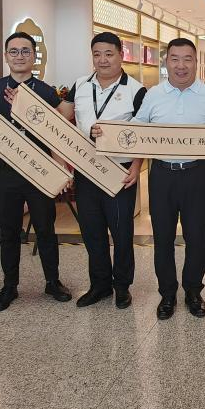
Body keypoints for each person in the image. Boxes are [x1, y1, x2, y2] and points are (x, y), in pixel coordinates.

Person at [92, 37, 205, 320]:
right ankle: (167, 294)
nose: (181, 65)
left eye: (187, 59)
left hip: (197, 175)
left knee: (196, 238)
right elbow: (137, 128)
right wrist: (108, 133)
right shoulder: (153, 94)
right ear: (167, 62)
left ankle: (193, 292)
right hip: (162, 175)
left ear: (196, 62)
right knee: (162, 238)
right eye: (175, 59)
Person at [0, 32, 72, 312]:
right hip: (6, 172)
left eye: (25, 51)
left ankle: (52, 282)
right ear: (6, 56)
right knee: (8, 231)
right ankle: (9, 286)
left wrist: (60, 168)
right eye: (14, 51)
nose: (19, 56)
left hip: (39, 172)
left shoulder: (46, 92)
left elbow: (58, 131)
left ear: (34, 56)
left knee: (45, 229)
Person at [58, 32, 145, 310]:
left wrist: (137, 167)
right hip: (86, 169)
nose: (103, 60)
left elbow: (144, 134)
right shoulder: (80, 85)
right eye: (97, 54)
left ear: (121, 55)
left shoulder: (136, 90)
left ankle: (122, 287)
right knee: (92, 231)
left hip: (120, 172)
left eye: (109, 53)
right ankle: (99, 285)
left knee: (121, 232)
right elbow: (60, 117)